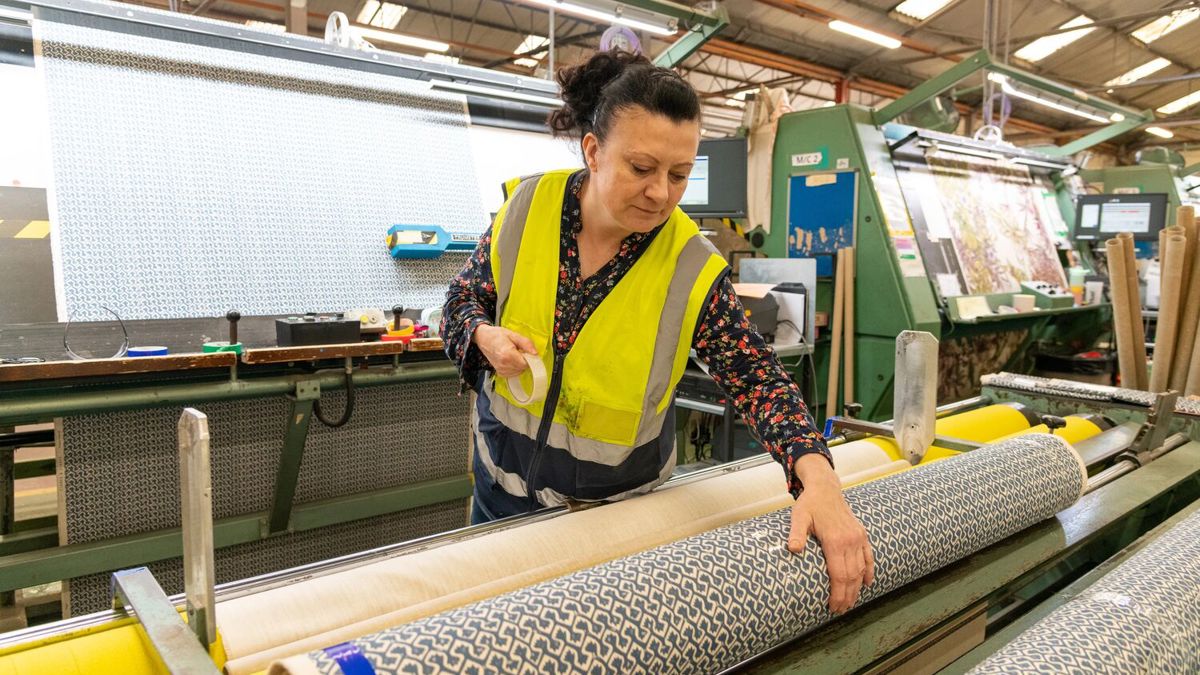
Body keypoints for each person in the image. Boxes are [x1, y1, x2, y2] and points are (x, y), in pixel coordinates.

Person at [442, 50, 873, 613]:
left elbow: (758, 380)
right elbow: (462, 300)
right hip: (498, 500)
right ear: (593, 151)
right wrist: (482, 336)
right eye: (642, 168)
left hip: (612, 530)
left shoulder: (690, 265)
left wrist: (819, 481)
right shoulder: (527, 208)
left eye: (679, 175)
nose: (660, 194)